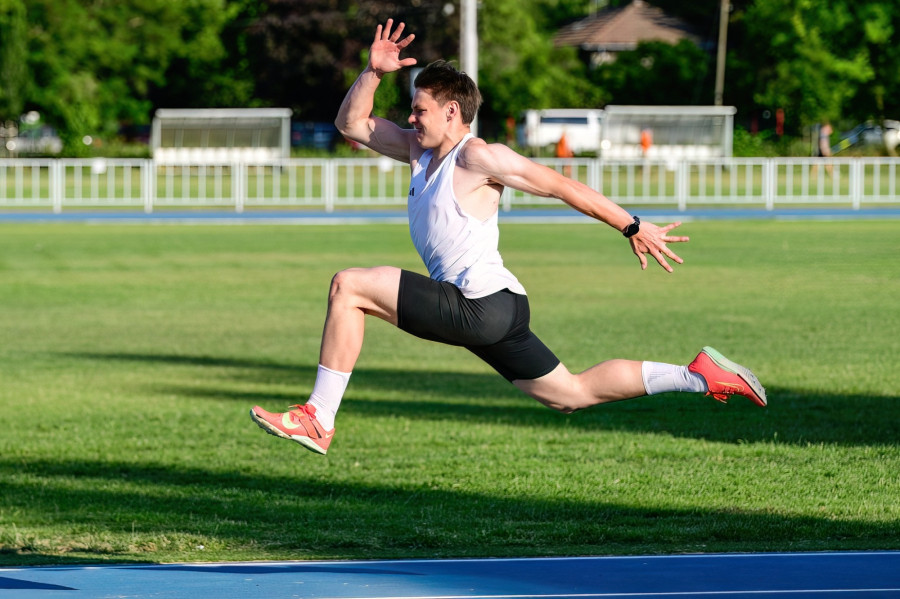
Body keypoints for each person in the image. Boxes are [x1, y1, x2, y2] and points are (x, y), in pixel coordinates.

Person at [249, 19, 766, 455]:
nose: (411, 117)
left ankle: (319, 416)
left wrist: (631, 225)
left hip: (479, 304)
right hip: (497, 307)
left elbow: (560, 184)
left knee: (349, 286)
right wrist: (371, 72)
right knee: (571, 393)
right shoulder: (416, 150)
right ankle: (699, 376)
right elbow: (352, 124)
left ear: (452, 112)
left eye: (420, 110)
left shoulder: (479, 156)